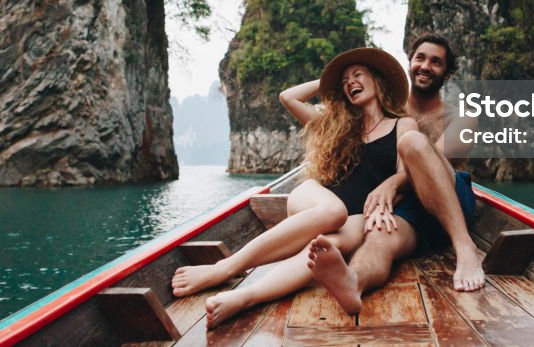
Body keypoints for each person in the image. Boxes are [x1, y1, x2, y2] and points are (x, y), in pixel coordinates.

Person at [170, 47, 417, 327]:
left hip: (359, 215)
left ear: (378, 80)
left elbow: (406, 173)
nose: (350, 83)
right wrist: (330, 84)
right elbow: (288, 97)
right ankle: (222, 269)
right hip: (316, 200)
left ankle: (245, 297)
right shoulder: (336, 125)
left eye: (357, 75)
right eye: (345, 80)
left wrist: (388, 188)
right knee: (333, 211)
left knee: (325, 248)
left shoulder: (403, 124)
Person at [306, 33, 485, 315]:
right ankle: (354, 282)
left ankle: (465, 248)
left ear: (447, 74)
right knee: (380, 234)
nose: (426, 66)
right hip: (409, 207)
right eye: (420, 58)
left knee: (412, 143)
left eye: (436, 62)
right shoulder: (389, 112)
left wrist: (390, 184)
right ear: (410, 63)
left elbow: (430, 163)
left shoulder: (463, 117)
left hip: (448, 198)